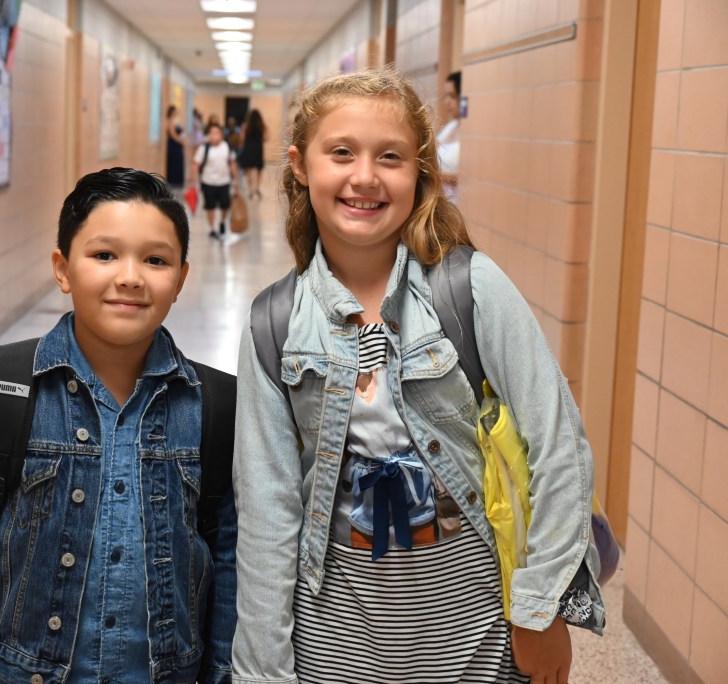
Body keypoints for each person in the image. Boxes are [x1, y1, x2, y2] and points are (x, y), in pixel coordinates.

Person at [232, 68, 605, 684]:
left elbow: (558, 447)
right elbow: (267, 514)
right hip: (334, 640)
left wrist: (540, 609)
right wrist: (262, 671)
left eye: (391, 157)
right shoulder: (274, 324)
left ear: (420, 170)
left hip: (482, 631)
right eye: (341, 152)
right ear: (300, 165)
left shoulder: (470, 288)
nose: (365, 176)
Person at [0, 168, 237, 684]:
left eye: (155, 260)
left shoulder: (215, 405)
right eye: (104, 255)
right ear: (62, 269)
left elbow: (231, 564)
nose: (130, 277)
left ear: (180, 279)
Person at [190, 123, 238, 241]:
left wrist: (235, 179)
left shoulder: (227, 147)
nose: (214, 136)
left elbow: (232, 163)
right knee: (210, 206)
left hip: (224, 182)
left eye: (217, 133)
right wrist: (193, 179)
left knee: (225, 205)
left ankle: (222, 222)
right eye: (211, 133)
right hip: (208, 182)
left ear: (221, 135)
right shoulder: (204, 148)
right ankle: (212, 229)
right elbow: (196, 164)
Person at [437, 70, 461, 202]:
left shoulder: (472, 133)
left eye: (452, 96)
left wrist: (438, 176)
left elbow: (471, 178)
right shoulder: (451, 126)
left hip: (457, 202)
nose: (447, 102)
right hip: (441, 200)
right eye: (446, 96)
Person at [237, 109, 269, 199]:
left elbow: (242, 139)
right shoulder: (262, 126)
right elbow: (266, 138)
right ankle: (257, 188)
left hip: (248, 150)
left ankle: (251, 189)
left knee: (249, 170)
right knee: (259, 170)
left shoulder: (245, 126)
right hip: (258, 149)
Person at [165, 104, 186, 188]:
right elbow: (173, 135)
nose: (176, 113)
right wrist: (181, 142)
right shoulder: (170, 121)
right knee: (174, 162)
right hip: (174, 145)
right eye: (174, 111)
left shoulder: (175, 121)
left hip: (177, 144)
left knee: (178, 162)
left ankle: (177, 180)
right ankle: (173, 180)